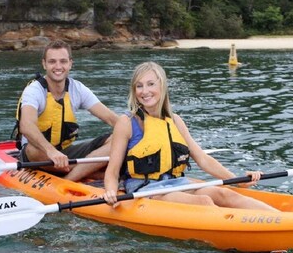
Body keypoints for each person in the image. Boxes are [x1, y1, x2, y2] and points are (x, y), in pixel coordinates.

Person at [102, 62, 278, 211]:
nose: (144, 91)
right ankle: (247, 235)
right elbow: (113, 170)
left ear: (162, 86)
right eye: (139, 86)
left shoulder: (175, 121)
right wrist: (110, 191)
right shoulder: (126, 122)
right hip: (145, 189)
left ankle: (280, 218)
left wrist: (236, 180)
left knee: (223, 193)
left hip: (177, 182)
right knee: (204, 202)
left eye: (150, 84)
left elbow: (202, 159)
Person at [17, 40, 118, 181]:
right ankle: (93, 171)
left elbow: (111, 119)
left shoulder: (78, 88)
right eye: (52, 61)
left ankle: (70, 177)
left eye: (63, 61)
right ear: (44, 64)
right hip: (39, 154)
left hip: (65, 154)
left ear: (70, 63)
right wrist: (50, 151)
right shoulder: (34, 91)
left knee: (117, 139)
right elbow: (26, 126)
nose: (58, 66)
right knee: (33, 149)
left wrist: (139, 133)